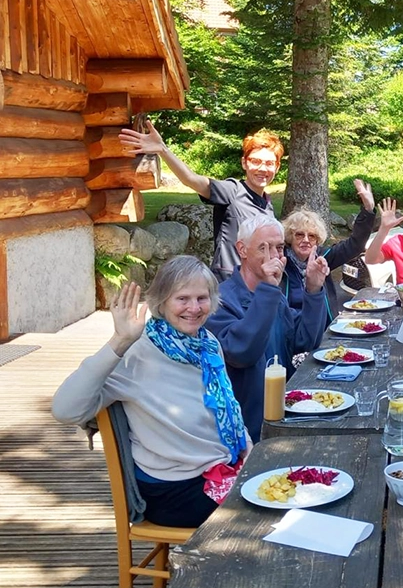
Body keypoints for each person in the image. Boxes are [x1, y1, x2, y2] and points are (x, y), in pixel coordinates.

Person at [52, 256, 250, 528]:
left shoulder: (207, 344)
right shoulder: (137, 351)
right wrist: (119, 341)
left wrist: (247, 449)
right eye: (182, 298)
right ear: (161, 301)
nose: (193, 308)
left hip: (220, 469)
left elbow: (229, 407)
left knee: (286, 489)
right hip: (174, 490)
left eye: (201, 298)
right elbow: (64, 409)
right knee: (263, 513)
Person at [206, 215, 329, 441]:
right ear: (242, 250)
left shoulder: (274, 295)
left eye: (279, 248)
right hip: (246, 429)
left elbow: (304, 341)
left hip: (287, 412)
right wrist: (269, 291)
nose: (274, 256)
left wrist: (313, 289)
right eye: (264, 248)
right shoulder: (220, 300)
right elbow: (242, 353)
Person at [119, 122, 284, 281]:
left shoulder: (268, 207)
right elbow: (191, 179)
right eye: (256, 161)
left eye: (269, 163)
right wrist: (163, 150)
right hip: (229, 283)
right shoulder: (232, 191)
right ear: (244, 163)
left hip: (258, 283)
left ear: (277, 168)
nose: (262, 168)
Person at [282, 179, 375, 322]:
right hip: (292, 331)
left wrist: (368, 210)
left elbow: (355, 245)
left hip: (323, 330)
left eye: (312, 236)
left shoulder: (323, 257)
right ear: (290, 237)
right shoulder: (281, 262)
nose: (306, 240)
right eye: (300, 234)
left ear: (317, 240)